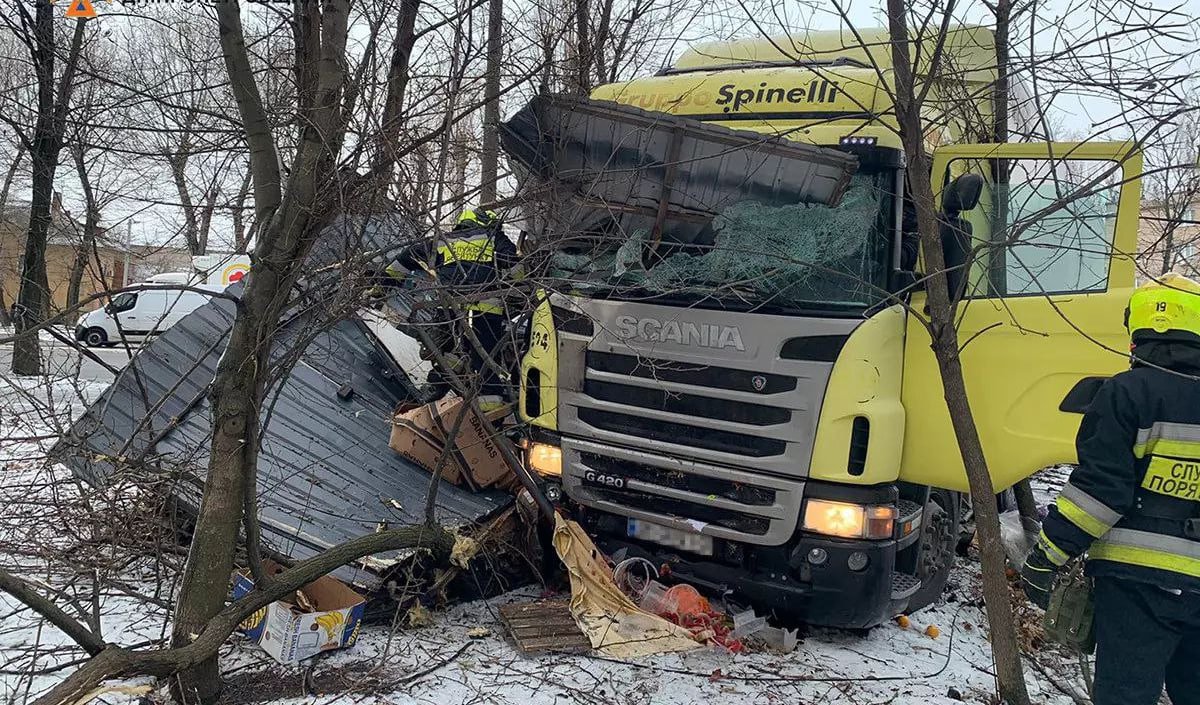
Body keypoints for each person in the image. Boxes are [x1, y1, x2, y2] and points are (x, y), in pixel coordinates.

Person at [1021, 273, 1200, 705]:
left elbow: (1100, 495)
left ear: (1137, 332)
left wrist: (1047, 557)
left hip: (1138, 584)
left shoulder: (1125, 394)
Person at [389, 208, 518, 402]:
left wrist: (383, 283)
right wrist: (520, 291)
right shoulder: (494, 237)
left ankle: (434, 389)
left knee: (447, 351)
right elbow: (515, 265)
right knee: (487, 362)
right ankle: (491, 414)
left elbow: (407, 257)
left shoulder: (444, 240)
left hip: (449, 308)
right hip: (486, 311)